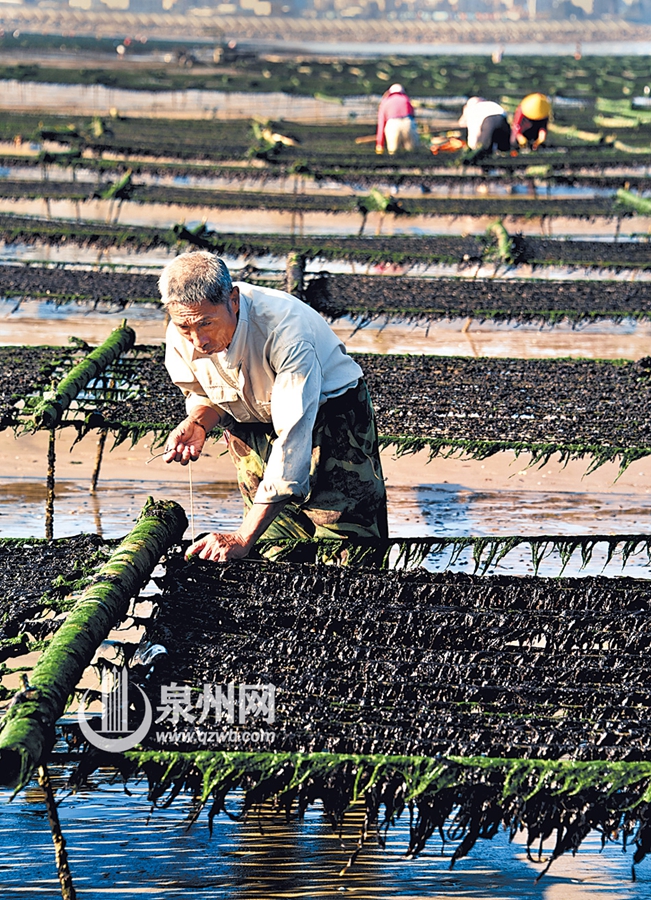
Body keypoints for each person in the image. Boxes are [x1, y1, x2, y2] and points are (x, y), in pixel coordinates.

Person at [160, 251, 388, 562]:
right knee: (272, 546)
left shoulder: (285, 331)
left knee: (346, 541)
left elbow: (293, 438)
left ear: (234, 300)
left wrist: (241, 536)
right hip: (248, 422)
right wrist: (198, 422)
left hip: (330, 417)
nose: (197, 340)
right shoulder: (181, 331)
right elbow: (204, 393)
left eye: (206, 324)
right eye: (185, 328)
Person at [375, 83, 419, 155]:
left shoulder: (385, 101)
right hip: (408, 123)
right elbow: (413, 117)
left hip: (392, 125)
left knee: (393, 153)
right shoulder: (406, 99)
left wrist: (379, 144)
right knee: (412, 153)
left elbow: (381, 124)